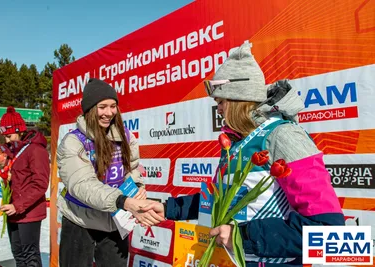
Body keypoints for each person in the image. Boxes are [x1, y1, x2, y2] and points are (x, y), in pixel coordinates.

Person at [141, 41, 345, 266]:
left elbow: (328, 230)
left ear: (239, 99)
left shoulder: (283, 136)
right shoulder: (236, 143)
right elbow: (223, 202)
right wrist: (169, 208)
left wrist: (241, 236)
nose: (217, 109)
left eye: (221, 102)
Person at [57, 78, 165, 267]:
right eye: (102, 107)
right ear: (90, 109)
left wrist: (137, 187)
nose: (109, 113)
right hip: (80, 221)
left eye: (113, 106)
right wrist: (123, 201)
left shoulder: (125, 136)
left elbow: (132, 168)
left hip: (115, 221)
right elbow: (82, 185)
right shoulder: (73, 142)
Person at [0, 106, 50, 267]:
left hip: (29, 212)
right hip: (13, 211)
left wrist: (17, 205)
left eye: (9, 135)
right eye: (4, 136)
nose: (7, 140)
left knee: (30, 256)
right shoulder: (12, 151)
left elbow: (40, 183)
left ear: (19, 131)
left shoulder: (35, 150)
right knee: (18, 254)